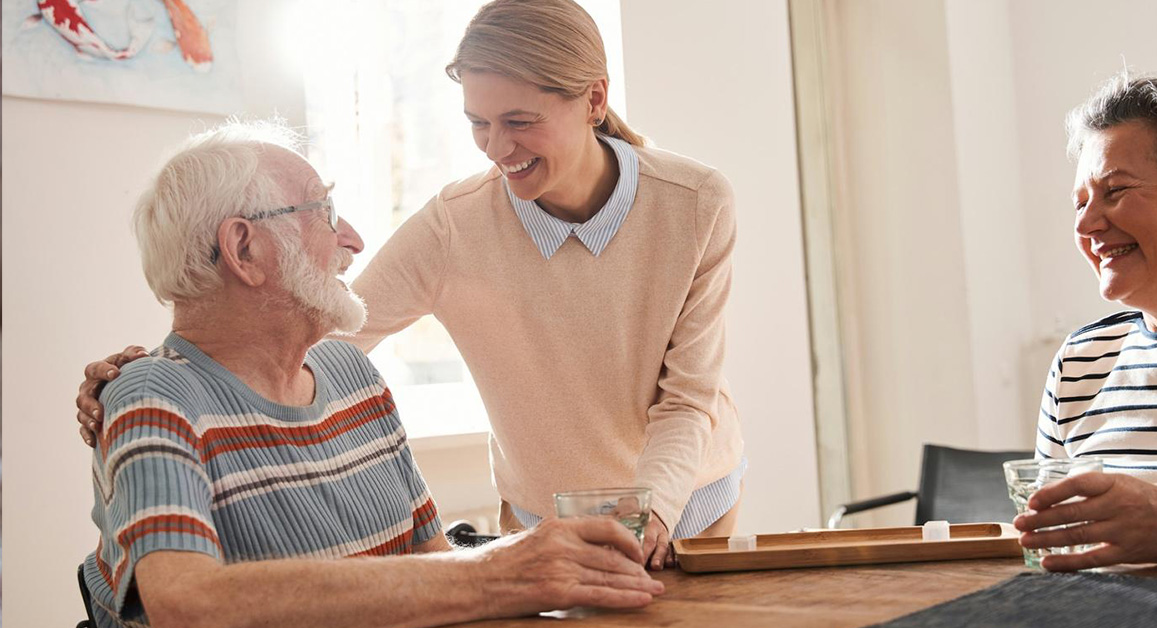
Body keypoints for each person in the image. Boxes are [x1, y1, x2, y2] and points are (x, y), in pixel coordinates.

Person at [76, 0, 746, 570]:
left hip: (688, 504)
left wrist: (650, 515)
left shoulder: (695, 203)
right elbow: (318, 332)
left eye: (519, 121)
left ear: (594, 99)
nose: (496, 148)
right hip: (543, 521)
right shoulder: (454, 226)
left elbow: (688, 399)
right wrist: (166, 376)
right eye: (478, 123)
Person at [82, 122, 663, 628]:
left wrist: (522, 571)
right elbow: (186, 604)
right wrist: (501, 571)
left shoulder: (351, 371)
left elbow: (434, 561)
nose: (354, 240)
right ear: (244, 248)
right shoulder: (152, 397)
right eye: (324, 213)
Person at [1014, 74, 1157, 571]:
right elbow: (1052, 546)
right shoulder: (1081, 361)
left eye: (1115, 191)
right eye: (1080, 203)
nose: (1085, 224)